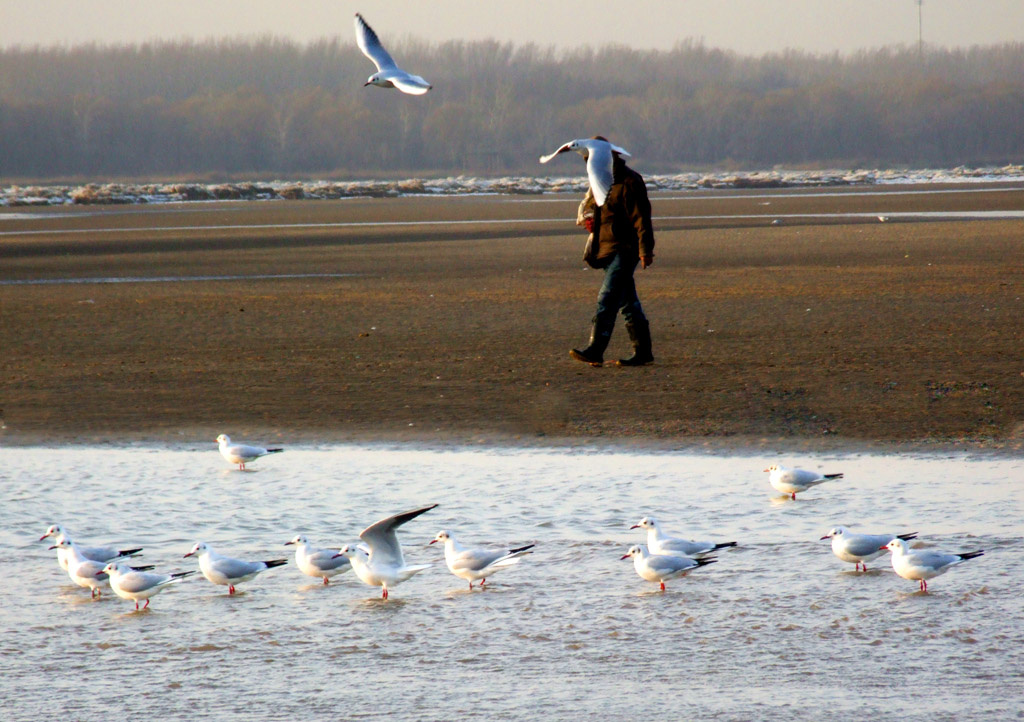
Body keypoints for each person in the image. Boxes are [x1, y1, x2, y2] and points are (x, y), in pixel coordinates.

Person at [570, 141, 655, 367]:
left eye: (591, 160)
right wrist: (592, 225)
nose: (589, 165)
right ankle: (643, 352)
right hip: (607, 249)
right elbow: (604, 216)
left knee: (607, 298)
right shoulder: (601, 180)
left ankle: (596, 349)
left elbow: (642, 219)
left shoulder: (629, 181)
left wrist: (646, 250)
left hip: (626, 249)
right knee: (628, 302)